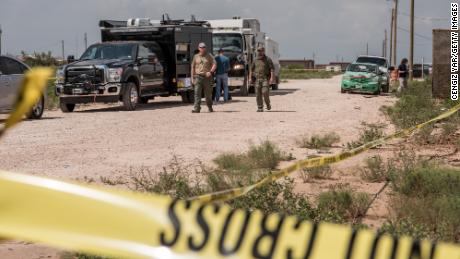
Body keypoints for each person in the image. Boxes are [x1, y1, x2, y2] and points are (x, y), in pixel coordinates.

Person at [191, 42, 217, 113]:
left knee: (208, 95)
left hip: (207, 78)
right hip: (198, 77)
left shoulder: (209, 56)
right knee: (197, 93)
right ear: (198, 48)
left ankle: (210, 107)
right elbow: (192, 67)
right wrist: (192, 78)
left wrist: (211, 72)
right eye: (201, 47)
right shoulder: (195, 56)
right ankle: (197, 108)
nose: (202, 49)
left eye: (203, 47)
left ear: (205, 48)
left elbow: (215, 64)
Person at [249, 47, 275, 112]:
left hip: (265, 79)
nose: (259, 52)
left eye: (261, 51)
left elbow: (272, 69)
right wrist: (250, 78)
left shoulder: (268, 59)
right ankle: (260, 107)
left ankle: (268, 104)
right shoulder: (255, 60)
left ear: (264, 51)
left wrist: (271, 78)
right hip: (257, 79)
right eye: (258, 51)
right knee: (258, 94)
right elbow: (251, 70)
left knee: (265, 92)